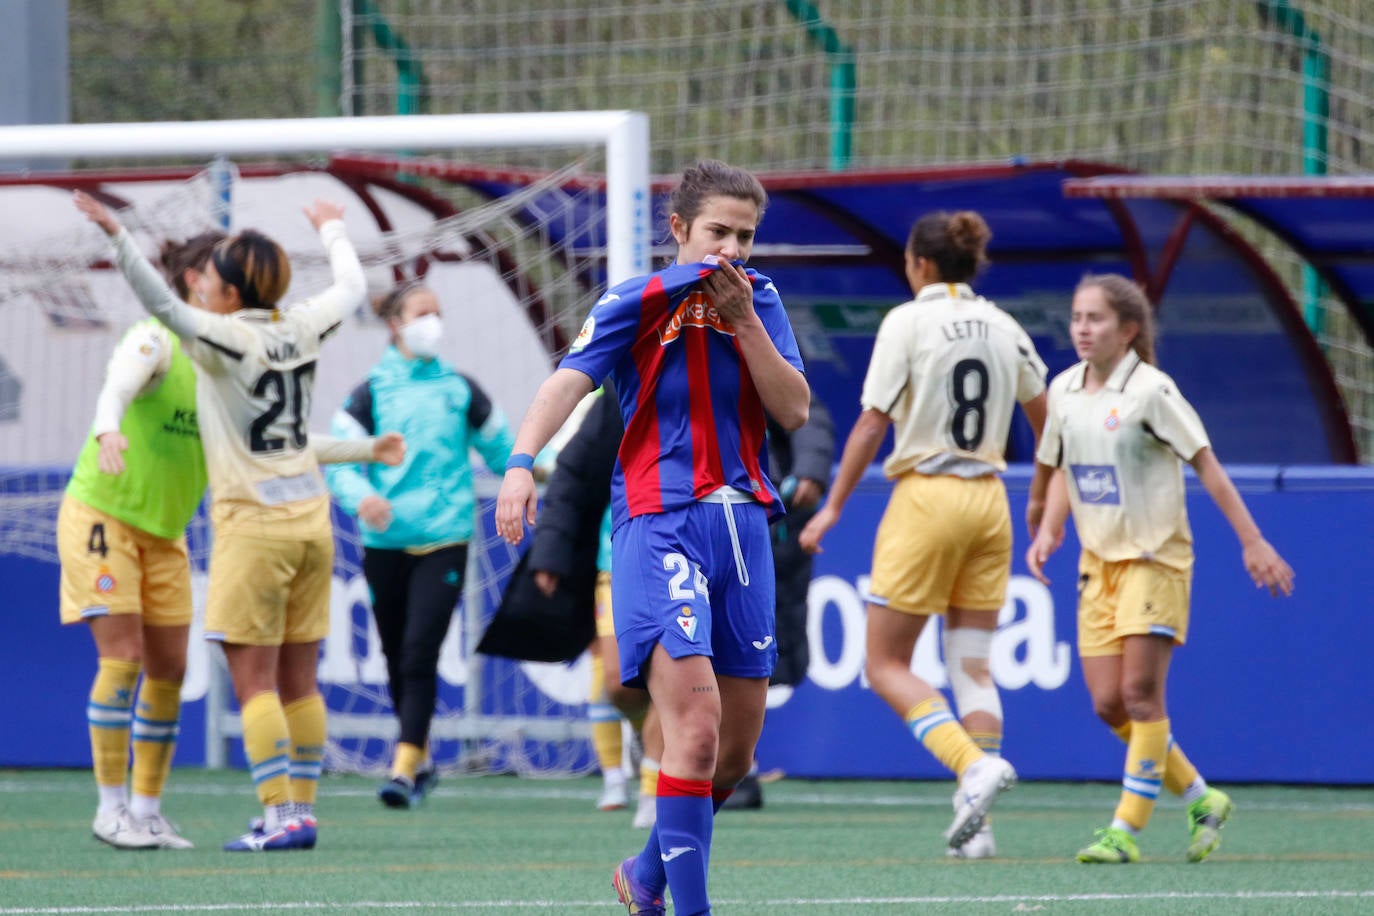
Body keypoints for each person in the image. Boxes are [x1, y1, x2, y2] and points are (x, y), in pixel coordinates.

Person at [495, 159, 809, 916]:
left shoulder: (760, 302)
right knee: (693, 737)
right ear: (678, 230)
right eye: (717, 233)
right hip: (659, 523)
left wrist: (741, 321)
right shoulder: (634, 301)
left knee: (732, 756)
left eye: (745, 236)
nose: (731, 249)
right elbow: (565, 381)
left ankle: (644, 872)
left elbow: (794, 409)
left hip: (743, 531)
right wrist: (519, 463)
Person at [59, 230, 401, 851]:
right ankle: (119, 808)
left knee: (202, 673)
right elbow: (120, 381)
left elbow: (266, 438)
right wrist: (108, 428)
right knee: (134, 659)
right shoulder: (189, 339)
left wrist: (120, 239)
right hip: (114, 514)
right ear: (197, 282)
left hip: (223, 528)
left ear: (221, 289)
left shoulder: (218, 345)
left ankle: (178, 811)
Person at [799, 210, 1048, 857]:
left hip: (928, 498)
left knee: (884, 664)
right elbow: (1048, 420)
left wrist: (831, 508)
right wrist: (1046, 498)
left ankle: (972, 766)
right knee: (972, 667)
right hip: (989, 500)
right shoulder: (1003, 324)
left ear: (922, 265)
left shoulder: (907, 321)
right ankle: (979, 827)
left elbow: (869, 424)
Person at [1025, 273, 1294, 864]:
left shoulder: (1152, 392)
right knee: (1107, 704)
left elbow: (1209, 467)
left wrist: (1253, 542)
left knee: (1140, 695)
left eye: (1094, 319)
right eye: (1076, 318)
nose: (1082, 329)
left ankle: (1125, 830)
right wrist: (1049, 527)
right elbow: (1065, 466)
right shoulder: (1065, 389)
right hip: (1099, 565)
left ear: (1128, 329)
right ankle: (1201, 797)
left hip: (1155, 558)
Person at [324, 281, 515, 808]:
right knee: (394, 656)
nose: (433, 321)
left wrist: (548, 470)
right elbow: (340, 458)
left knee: (418, 651)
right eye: (421, 312)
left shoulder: (461, 389)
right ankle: (422, 756)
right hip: (384, 542)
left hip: (445, 541)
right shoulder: (369, 392)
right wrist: (362, 497)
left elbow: (507, 451)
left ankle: (404, 768)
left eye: (438, 311)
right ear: (396, 323)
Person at [722, 390, 834, 811]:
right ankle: (681, 769)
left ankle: (738, 769)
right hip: (682, 517)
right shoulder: (657, 345)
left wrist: (809, 470)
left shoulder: (758, 333)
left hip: (759, 522)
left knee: (746, 648)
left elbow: (806, 412)